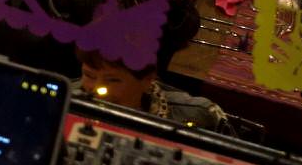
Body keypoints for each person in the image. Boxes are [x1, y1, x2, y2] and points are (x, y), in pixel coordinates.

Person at [76, 49, 230, 132]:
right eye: (89, 75)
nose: (97, 89)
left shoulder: (201, 115)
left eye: (113, 80)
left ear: (147, 80)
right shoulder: (66, 101)